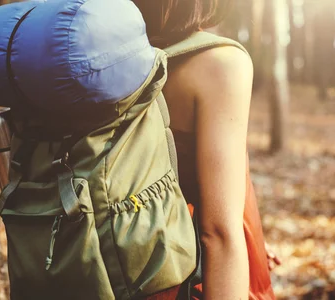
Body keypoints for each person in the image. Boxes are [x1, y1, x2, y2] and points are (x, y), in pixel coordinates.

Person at [133, 1, 279, 299]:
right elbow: (219, 235)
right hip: (186, 279)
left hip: (109, 267)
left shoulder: (90, 63)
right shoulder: (220, 64)